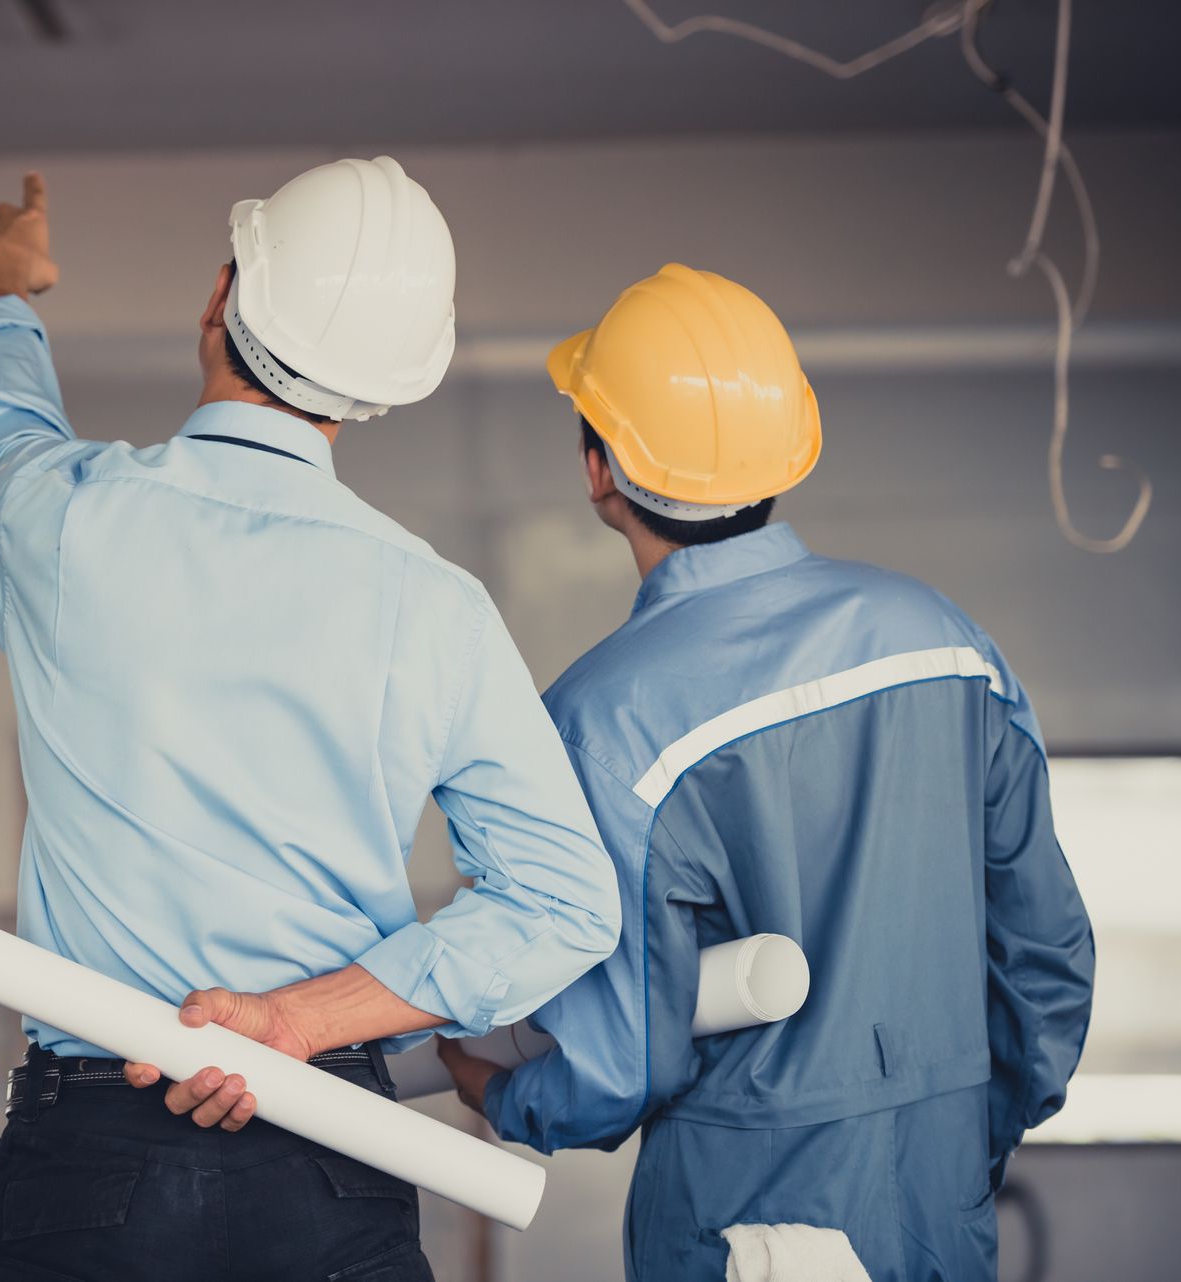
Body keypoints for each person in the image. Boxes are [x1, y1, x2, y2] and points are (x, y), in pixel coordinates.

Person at [0, 161, 618, 1282]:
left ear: (220, 296)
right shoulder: (432, 605)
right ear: (377, 396)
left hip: (94, 1151)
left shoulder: (61, 519)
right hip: (329, 1148)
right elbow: (562, 901)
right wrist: (300, 1020)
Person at [436, 264, 1095, 1282]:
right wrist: (954, 1135)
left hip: (742, 1229)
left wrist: (498, 1092)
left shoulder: (602, 722)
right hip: (943, 1207)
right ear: (789, 451)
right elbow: (1046, 966)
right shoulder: (948, 644)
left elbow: (622, 1060)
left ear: (597, 467)